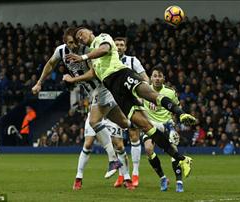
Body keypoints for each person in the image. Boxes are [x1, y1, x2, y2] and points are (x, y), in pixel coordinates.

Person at [65, 27, 196, 190]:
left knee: (150, 94)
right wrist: (74, 79)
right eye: (78, 38)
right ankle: (182, 159)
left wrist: (82, 56)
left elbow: (105, 49)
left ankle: (181, 114)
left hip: (122, 75)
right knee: (146, 127)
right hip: (115, 91)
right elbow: (93, 73)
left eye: (81, 34)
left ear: (89, 32)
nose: (80, 38)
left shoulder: (102, 38)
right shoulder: (93, 56)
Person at [31, 27, 126, 189]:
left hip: (102, 88)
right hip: (93, 93)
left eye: (76, 42)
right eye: (70, 43)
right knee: (126, 123)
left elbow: (94, 73)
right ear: (65, 42)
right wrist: (39, 82)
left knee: (94, 121)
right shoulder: (61, 51)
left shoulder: (87, 50)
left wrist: (73, 79)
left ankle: (113, 160)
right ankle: (150, 129)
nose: (74, 45)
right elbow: (50, 64)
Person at [142, 66, 191, 192]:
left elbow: (176, 108)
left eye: (160, 76)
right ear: (151, 78)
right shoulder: (144, 90)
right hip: (150, 124)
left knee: (173, 151)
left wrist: (175, 125)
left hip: (167, 124)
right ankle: (163, 178)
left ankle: (179, 181)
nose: (157, 79)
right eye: (155, 76)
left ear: (164, 78)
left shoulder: (170, 92)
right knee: (148, 149)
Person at [113, 37, 149, 187]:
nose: (119, 47)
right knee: (117, 143)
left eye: (122, 45)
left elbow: (145, 79)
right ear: (113, 47)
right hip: (113, 106)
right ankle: (122, 175)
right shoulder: (106, 60)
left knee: (134, 137)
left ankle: (135, 174)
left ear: (125, 48)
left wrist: (140, 95)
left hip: (130, 104)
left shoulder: (133, 61)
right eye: (117, 45)